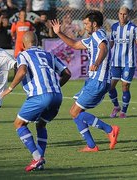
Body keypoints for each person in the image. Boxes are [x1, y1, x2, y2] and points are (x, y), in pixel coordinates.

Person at [0, 31, 71, 171]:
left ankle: (37, 158)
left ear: (22, 44)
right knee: (41, 125)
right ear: (37, 42)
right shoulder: (49, 54)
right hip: (57, 96)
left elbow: (21, 71)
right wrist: (55, 86)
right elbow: (67, 73)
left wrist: (9, 88)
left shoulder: (23, 55)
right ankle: (40, 162)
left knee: (19, 124)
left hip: (40, 96)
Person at [51, 10, 119, 152]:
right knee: (74, 112)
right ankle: (91, 145)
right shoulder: (92, 37)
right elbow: (75, 45)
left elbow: (104, 47)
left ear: (94, 24)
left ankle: (109, 129)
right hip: (95, 80)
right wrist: (59, 32)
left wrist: (97, 62)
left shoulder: (99, 34)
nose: (85, 26)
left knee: (75, 112)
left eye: (87, 23)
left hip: (98, 80)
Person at [109, 6, 137, 119]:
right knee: (110, 86)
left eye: (124, 14)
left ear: (128, 15)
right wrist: (105, 54)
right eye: (120, 14)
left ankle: (123, 111)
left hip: (129, 62)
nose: (122, 16)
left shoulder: (133, 28)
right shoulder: (114, 27)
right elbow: (111, 43)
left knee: (125, 86)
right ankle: (116, 106)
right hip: (115, 62)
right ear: (118, 14)